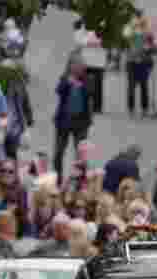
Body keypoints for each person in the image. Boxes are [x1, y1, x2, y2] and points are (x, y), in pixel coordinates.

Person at [52, 57, 93, 185]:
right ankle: (58, 178)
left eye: (80, 67)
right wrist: (68, 83)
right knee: (58, 153)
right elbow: (58, 90)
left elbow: (91, 92)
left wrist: (81, 85)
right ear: (70, 67)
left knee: (81, 155)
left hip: (81, 123)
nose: (77, 69)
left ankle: (79, 180)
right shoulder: (65, 78)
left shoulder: (88, 79)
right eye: (74, 66)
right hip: (63, 122)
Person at [124, 13, 155, 119]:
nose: (138, 21)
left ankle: (144, 108)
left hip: (143, 62)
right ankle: (131, 108)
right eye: (136, 18)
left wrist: (148, 48)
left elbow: (151, 46)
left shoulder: (147, 32)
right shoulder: (129, 29)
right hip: (131, 62)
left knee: (143, 86)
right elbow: (125, 40)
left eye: (140, 19)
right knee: (131, 86)